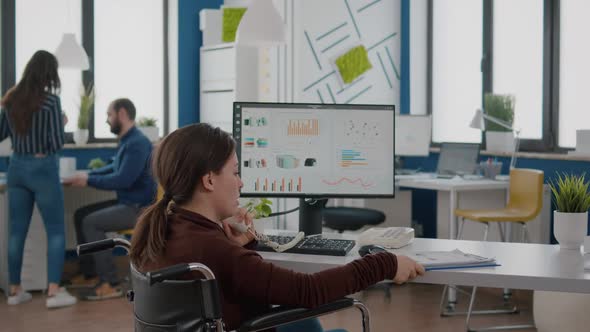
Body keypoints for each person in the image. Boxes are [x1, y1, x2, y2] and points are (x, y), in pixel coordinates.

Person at [130, 123, 425, 331]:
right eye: (235, 172)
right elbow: (306, 290)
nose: (241, 181)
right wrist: (384, 263)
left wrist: (238, 246)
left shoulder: (164, 228)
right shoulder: (212, 248)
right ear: (208, 180)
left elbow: (232, 274)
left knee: (299, 320)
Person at [0, 50, 77, 308]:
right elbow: (56, 144)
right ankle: (54, 293)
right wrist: (62, 122)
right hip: (42, 167)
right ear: (49, 73)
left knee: (16, 232)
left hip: (17, 166)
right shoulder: (51, 102)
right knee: (55, 231)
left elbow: (1, 133)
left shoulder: (10, 99)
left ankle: (14, 291)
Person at [63, 98, 156, 300]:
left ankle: (110, 283)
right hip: (128, 202)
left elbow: (122, 179)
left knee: (91, 222)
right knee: (81, 214)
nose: (107, 119)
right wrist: (86, 175)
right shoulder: (129, 140)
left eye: (109, 114)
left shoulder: (137, 143)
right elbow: (114, 167)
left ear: (121, 114)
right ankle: (90, 274)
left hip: (138, 209)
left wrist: (88, 178)